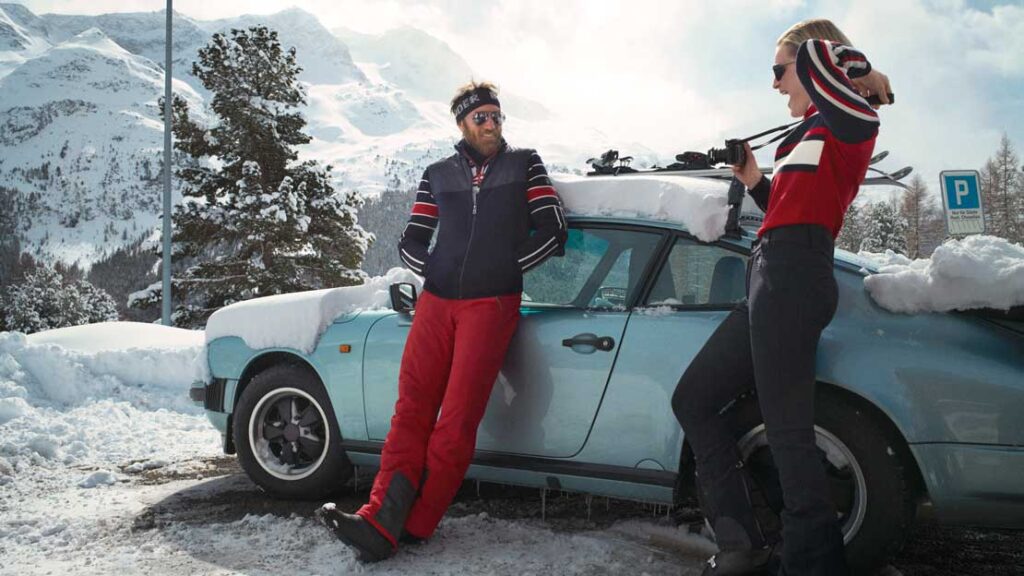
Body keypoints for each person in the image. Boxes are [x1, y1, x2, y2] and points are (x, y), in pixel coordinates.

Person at [672, 18, 892, 576]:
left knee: (790, 434)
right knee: (694, 398)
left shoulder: (851, 121)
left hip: (796, 275)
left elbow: (823, 58)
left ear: (816, 64)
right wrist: (754, 181)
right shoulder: (806, 133)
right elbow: (790, 209)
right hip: (771, 275)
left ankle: (813, 565)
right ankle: (745, 537)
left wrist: (860, 69)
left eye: (779, 70)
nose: (774, 84)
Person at [316, 81, 567, 562]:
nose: (492, 124)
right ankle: (378, 518)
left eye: (497, 116)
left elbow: (553, 228)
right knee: (410, 409)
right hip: (435, 302)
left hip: (490, 305)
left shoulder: (525, 164)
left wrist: (504, 270)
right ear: (462, 123)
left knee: (455, 421)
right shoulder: (438, 174)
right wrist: (434, 270)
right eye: (481, 118)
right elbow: (411, 239)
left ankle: (415, 522)